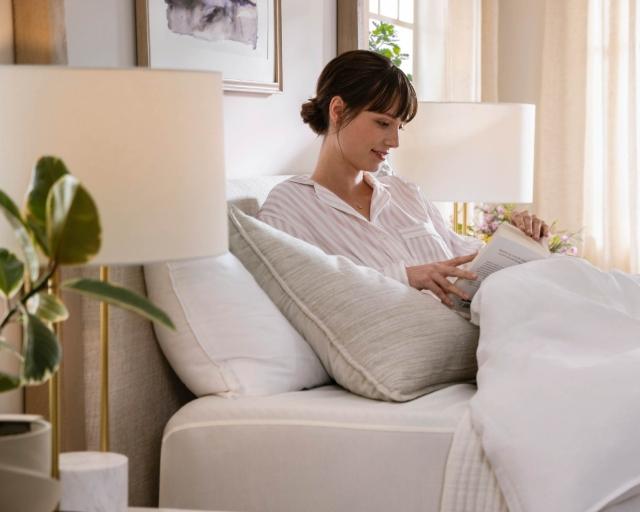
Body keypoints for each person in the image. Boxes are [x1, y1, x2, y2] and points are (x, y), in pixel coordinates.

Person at [258, 50, 549, 307]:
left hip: (490, 321)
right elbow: (307, 293)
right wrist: (405, 277)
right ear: (338, 110)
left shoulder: (404, 193)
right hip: (438, 342)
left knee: (570, 276)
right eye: (383, 123)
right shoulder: (289, 208)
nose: (394, 141)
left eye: (399, 127)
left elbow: (465, 258)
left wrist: (519, 242)